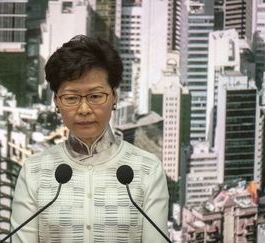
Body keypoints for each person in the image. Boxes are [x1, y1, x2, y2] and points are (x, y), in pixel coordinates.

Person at [10, 35, 169, 243]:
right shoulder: (34, 172)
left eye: (95, 96)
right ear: (56, 102)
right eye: (71, 98)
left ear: (114, 97)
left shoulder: (147, 170)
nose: (84, 109)